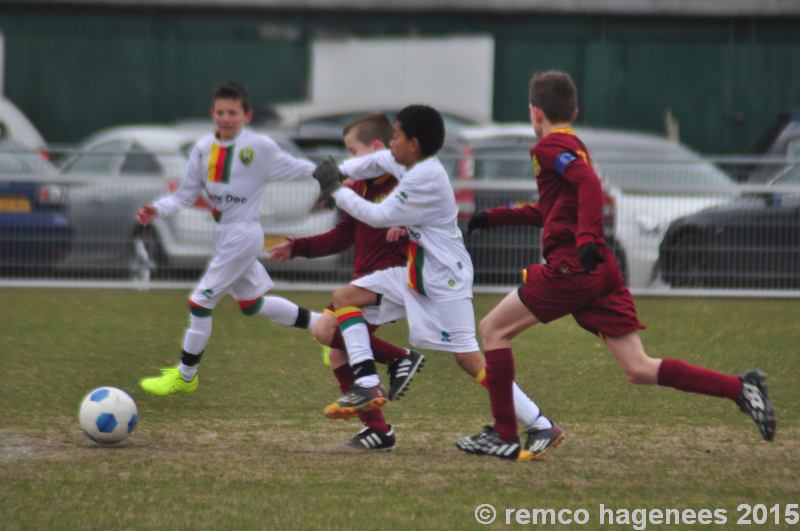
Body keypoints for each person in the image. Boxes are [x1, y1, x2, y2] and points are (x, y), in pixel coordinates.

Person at [456, 71, 776, 459]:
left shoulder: (548, 148)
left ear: (535, 112)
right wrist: (497, 217)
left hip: (571, 267)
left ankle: (506, 434)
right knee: (639, 368)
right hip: (598, 269)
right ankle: (740, 388)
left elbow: (589, 184)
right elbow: (554, 208)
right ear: (574, 110)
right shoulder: (574, 144)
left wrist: (588, 238)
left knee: (492, 330)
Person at [312, 105, 563, 461]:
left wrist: (335, 188)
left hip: (445, 278)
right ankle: (368, 384)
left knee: (469, 357)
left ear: (412, 143)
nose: (390, 143)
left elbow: (377, 215)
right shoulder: (413, 164)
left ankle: (539, 422)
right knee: (345, 298)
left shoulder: (422, 178)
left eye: (396, 136)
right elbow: (377, 162)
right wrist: (340, 170)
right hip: (419, 272)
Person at [137, 81, 320, 396]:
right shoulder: (202, 149)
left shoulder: (260, 147)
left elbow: (300, 168)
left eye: (232, 112)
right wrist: (157, 209)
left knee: (199, 303)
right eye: (220, 112)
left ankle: (186, 374)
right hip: (225, 236)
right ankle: (327, 328)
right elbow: (184, 195)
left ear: (246, 115)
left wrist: (340, 172)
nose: (225, 117)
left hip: (244, 235)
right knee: (252, 305)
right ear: (212, 114)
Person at [269, 112, 422, 450]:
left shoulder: (405, 184)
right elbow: (340, 237)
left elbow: (432, 221)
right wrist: (298, 247)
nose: (349, 160)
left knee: (334, 318)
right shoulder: (358, 188)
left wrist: (409, 229)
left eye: (353, 151)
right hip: (366, 281)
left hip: (394, 279)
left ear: (377, 148)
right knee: (330, 342)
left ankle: (399, 358)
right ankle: (379, 430)